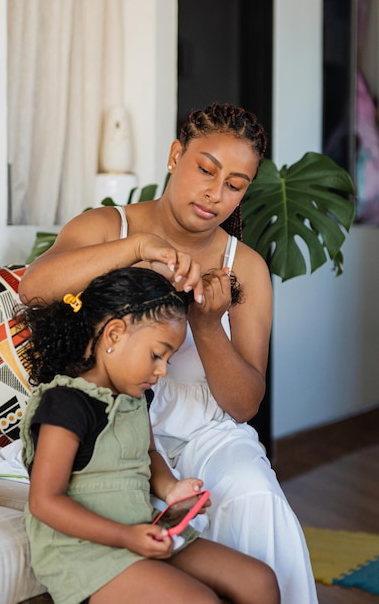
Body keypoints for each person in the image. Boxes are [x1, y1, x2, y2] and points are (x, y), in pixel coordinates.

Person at [19, 102, 318, 603]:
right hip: (115, 422)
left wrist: (205, 325)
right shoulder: (106, 227)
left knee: (256, 497)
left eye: (235, 184)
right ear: (176, 155)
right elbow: (35, 290)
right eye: (205, 169)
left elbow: (243, 405)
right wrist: (138, 249)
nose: (215, 194)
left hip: (206, 430)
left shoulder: (243, 267)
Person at [18, 266, 280, 604]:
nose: (162, 370)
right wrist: (126, 536)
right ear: (113, 335)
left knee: (258, 581)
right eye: (157, 355)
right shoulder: (65, 404)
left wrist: (173, 490)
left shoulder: (133, 398)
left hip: (138, 530)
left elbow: (149, 454)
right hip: (85, 553)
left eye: (168, 360)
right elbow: (44, 502)